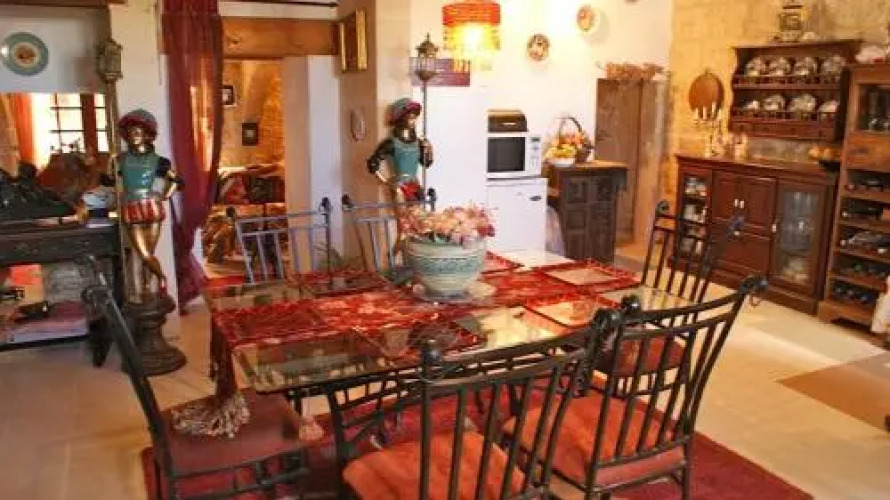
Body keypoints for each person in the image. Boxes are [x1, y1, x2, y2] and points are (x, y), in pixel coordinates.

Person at [115, 109, 182, 299]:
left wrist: (165, 196)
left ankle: (147, 288)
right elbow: (108, 180)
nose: (133, 136)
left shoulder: (160, 161)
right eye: (130, 133)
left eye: (137, 132)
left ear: (147, 135)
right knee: (143, 253)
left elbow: (177, 181)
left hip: (152, 207)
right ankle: (161, 278)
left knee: (149, 252)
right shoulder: (119, 159)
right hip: (130, 207)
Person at [366, 99, 433, 256]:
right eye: (410, 117)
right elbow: (372, 164)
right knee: (403, 225)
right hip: (399, 186)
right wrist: (386, 182)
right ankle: (396, 253)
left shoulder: (419, 143)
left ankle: (413, 257)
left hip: (415, 184)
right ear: (401, 119)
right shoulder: (391, 143)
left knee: (418, 223)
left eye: (415, 117)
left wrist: (429, 149)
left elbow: (426, 163)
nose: (413, 121)